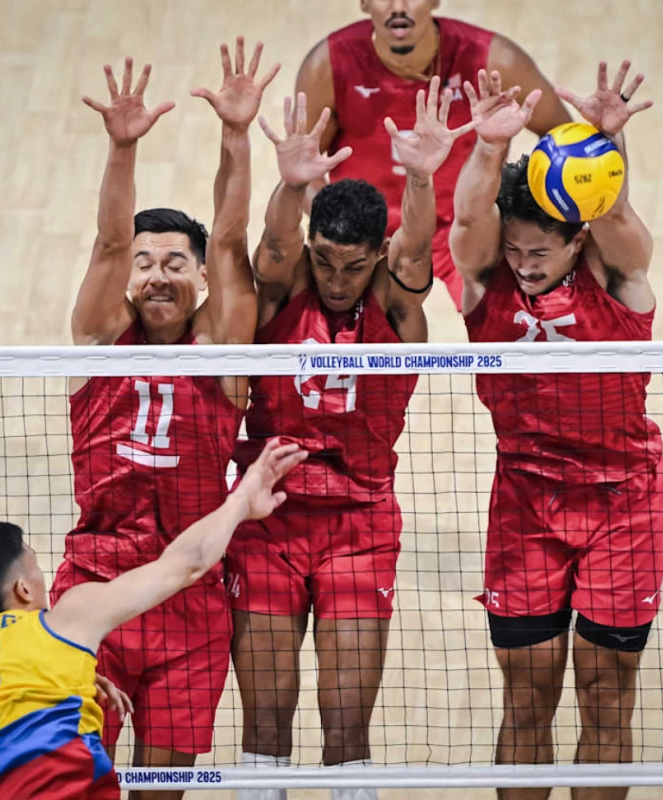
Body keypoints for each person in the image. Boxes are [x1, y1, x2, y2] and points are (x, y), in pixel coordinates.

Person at [226, 78, 479, 800]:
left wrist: (421, 180)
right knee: (264, 730)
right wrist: (289, 187)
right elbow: (275, 244)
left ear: (376, 257)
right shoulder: (283, 289)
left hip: (359, 526)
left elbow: (416, 250)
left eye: (354, 265)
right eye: (325, 262)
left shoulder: (396, 305)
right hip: (267, 518)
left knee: (347, 738)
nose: (337, 280)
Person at [47, 40, 278, 796]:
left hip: (190, 596)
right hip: (96, 590)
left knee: (162, 789)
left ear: (200, 278)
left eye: (175, 264)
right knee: (75, 780)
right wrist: (123, 150)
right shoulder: (98, 342)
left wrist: (236, 136)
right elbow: (111, 240)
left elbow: (233, 241)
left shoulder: (222, 354)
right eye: (145, 265)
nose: (155, 276)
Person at [449, 62, 663, 800]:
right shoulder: (489, 285)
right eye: (515, 251)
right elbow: (467, 228)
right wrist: (489, 147)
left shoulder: (618, 280)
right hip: (526, 499)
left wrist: (605, 142)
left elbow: (619, 220)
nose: (523, 265)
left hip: (623, 500)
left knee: (605, 695)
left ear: (577, 243)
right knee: (527, 696)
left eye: (539, 253)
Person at [0, 441, 306, 800]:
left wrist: (70, 675)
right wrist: (241, 500)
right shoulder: (63, 622)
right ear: (23, 591)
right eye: (36, 569)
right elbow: (187, 563)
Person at [293, 0, 571, 311]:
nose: (399, 6)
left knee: (523, 319)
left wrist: (531, 215)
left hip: (466, 225)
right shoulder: (327, 65)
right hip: (371, 232)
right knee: (334, 325)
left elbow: (564, 142)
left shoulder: (496, 60)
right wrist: (345, 231)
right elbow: (303, 172)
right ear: (364, 3)